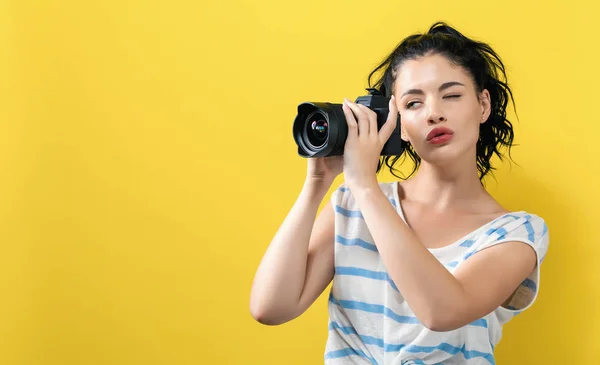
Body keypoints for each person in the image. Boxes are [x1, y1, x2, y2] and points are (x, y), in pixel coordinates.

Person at [249, 21, 549, 365]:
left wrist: (364, 184)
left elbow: (441, 312)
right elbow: (269, 308)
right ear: (398, 125)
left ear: (483, 104)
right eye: (412, 104)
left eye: (451, 95)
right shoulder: (352, 207)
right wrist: (316, 186)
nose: (434, 112)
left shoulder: (516, 233)